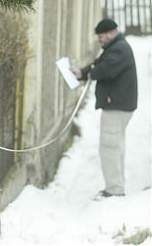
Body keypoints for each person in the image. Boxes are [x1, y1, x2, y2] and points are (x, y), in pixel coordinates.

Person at [71, 18, 138, 199]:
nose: (99, 40)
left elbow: (106, 69)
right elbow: (99, 64)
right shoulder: (115, 47)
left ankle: (114, 190)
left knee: (109, 147)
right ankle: (116, 186)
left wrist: (89, 73)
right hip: (119, 105)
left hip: (117, 106)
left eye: (101, 36)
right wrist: (83, 73)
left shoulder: (120, 49)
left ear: (110, 33)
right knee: (115, 145)